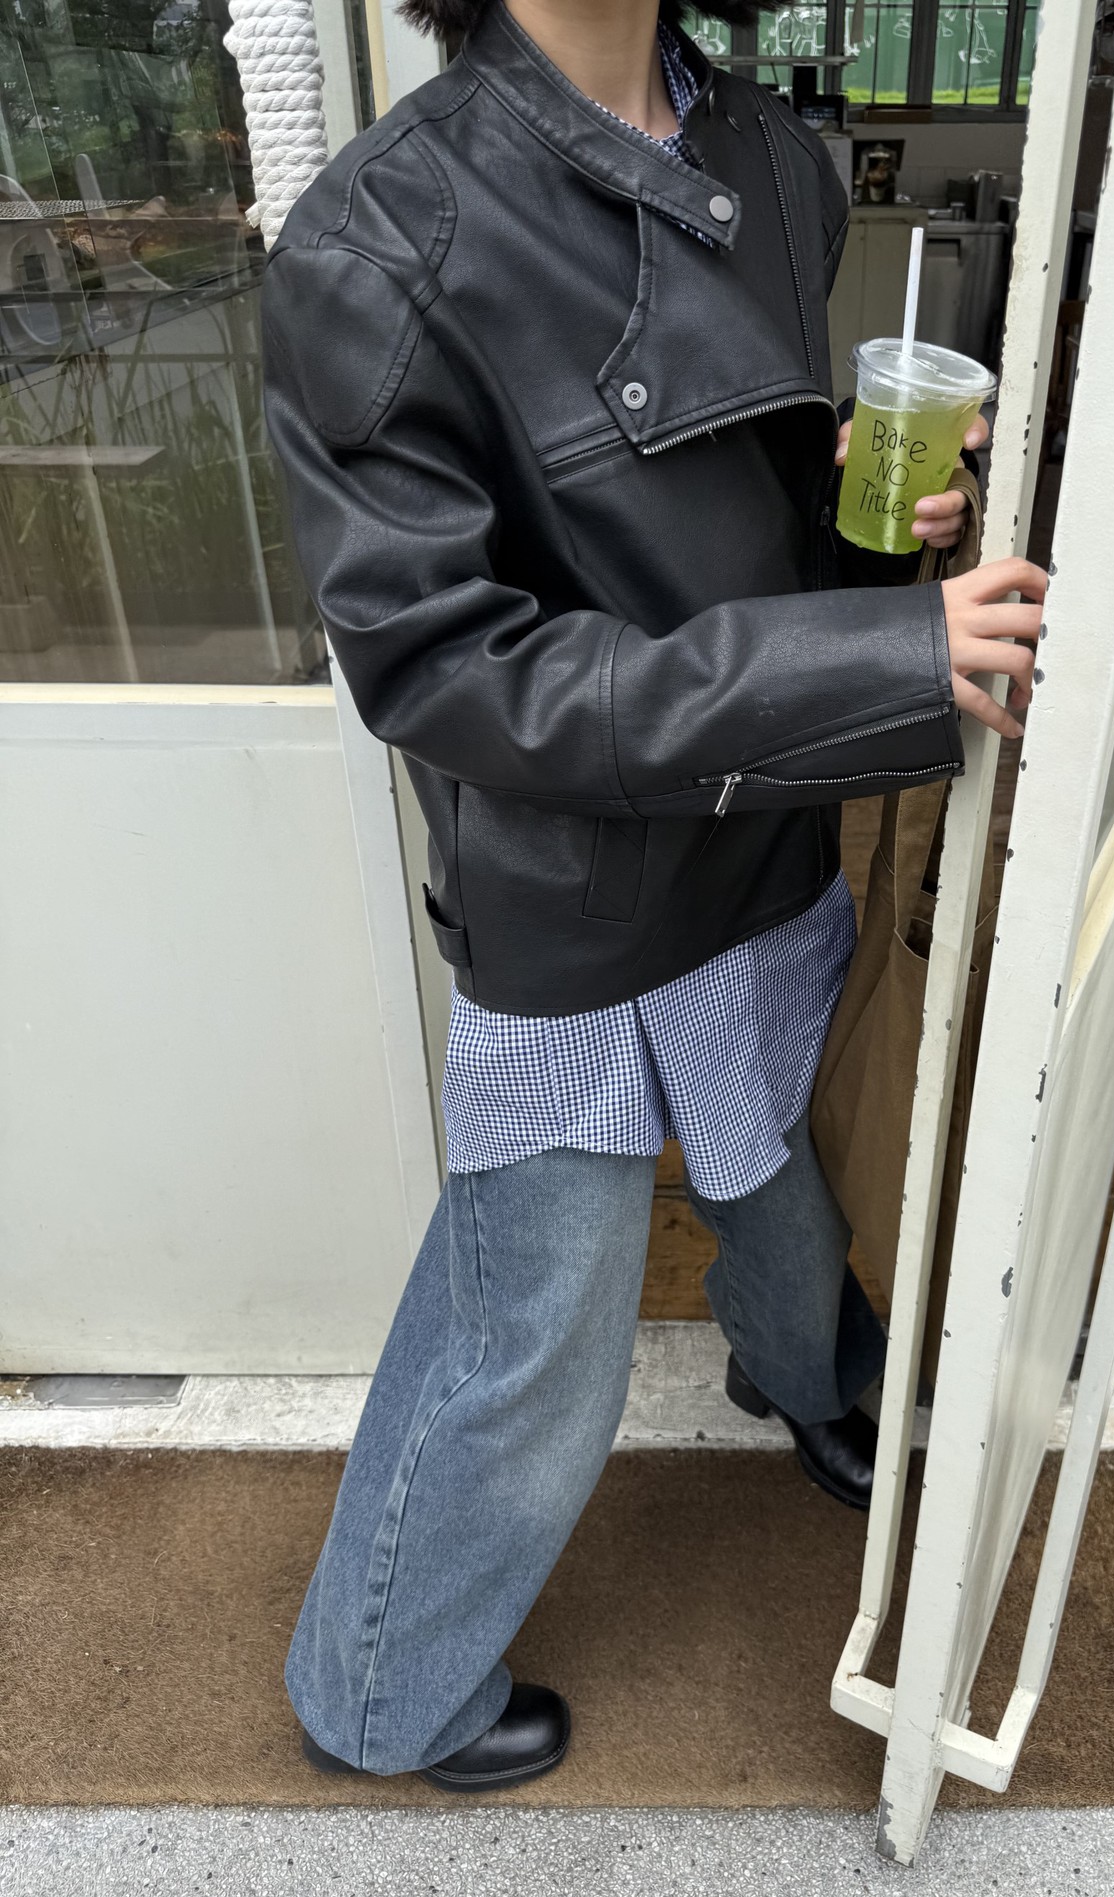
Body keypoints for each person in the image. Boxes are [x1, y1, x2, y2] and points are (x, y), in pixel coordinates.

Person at [261, 0, 1045, 1794]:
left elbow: (724, 504)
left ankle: (805, 1376)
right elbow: (451, 672)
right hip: (579, 881)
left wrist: (870, 522)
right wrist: (874, 664)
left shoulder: (770, 155)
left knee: (781, 1166)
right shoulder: (379, 235)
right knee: (537, 1332)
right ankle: (377, 1690)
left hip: (764, 816)